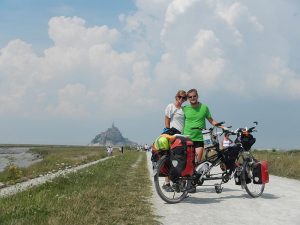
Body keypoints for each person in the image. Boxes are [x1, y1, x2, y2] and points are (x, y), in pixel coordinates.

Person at [183, 88, 225, 163]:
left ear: (197, 96)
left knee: (197, 162)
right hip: (187, 138)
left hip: (200, 138)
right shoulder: (185, 108)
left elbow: (211, 120)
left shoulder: (204, 107)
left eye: (194, 96)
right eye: (190, 97)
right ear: (188, 98)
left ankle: (195, 174)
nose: (192, 98)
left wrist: (222, 127)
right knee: (187, 162)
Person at [162, 90, 187, 192]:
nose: (181, 99)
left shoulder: (184, 109)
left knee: (180, 158)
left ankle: (178, 181)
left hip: (182, 136)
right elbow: (167, 121)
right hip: (172, 135)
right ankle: (167, 183)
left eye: (183, 98)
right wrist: (169, 133)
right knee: (170, 157)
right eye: (179, 97)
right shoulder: (170, 107)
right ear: (176, 97)